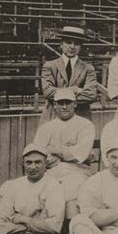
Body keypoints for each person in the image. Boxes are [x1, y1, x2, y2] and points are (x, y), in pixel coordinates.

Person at [33, 88, 95, 221]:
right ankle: (50, 225)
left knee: (72, 186)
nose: (65, 106)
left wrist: (53, 150)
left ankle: (72, 225)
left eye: (68, 102)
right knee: (45, 187)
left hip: (78, 170)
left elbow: (80, 154)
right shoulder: (46, 128)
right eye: (61, 103)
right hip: (51, 171)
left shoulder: (85, 125)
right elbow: (39, 155)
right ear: (55, 105)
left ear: (75, 104)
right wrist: (66, 152)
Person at [41, 25, 97, 122]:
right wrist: (75, 90)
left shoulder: (88, 69)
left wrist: (60, 95)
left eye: (76, 44)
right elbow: (47, 92)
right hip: (53, 118)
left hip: (81, 118)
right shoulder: (49, 66)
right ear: (61, 44)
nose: (72, 47)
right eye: (68, 42)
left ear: (81, 47)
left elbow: (91, 94)